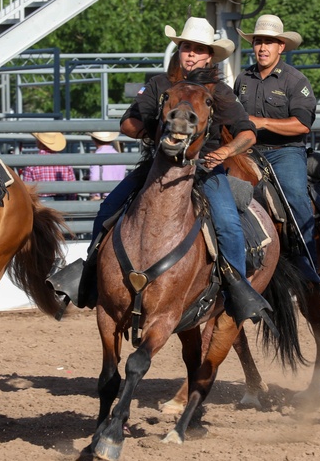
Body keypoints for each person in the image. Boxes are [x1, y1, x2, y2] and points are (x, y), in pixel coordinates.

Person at [52, 17, 272, 327]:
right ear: (178, 50)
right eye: (186, 48)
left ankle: (238, 289)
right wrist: (151, 134)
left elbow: (247, 133)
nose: (191, 54)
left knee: (227, 223)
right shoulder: (158, 84)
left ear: (209, 55)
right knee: (108, 207)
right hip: (156, 166)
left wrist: (224, 152)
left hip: (205, 169)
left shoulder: (218, 91)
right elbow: (127, 122)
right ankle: (88, 277)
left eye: (198, 49)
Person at [234, 14, 320, 289]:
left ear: (281, 47)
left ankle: (308, 268)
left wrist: (263, 122)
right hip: (248, 150)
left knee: (295, 197)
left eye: (269, 42)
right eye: (258, 41)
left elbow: (303, 125)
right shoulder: (242, 79)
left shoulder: (295, 81)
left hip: (285, 152)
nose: (262, 47)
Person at [20, 132, 77, 201]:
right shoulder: (65, 162)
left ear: (40, 142)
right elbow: (72, 188)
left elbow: (28, 189)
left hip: (41, 201)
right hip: (61, 199)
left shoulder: (32, 163)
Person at [87, 131, 127, 200]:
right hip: (119, 195)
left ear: (94, 140)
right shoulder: (119, 156)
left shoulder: (96, 156)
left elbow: (95, 177)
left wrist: (93, 194)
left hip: (104, 196)